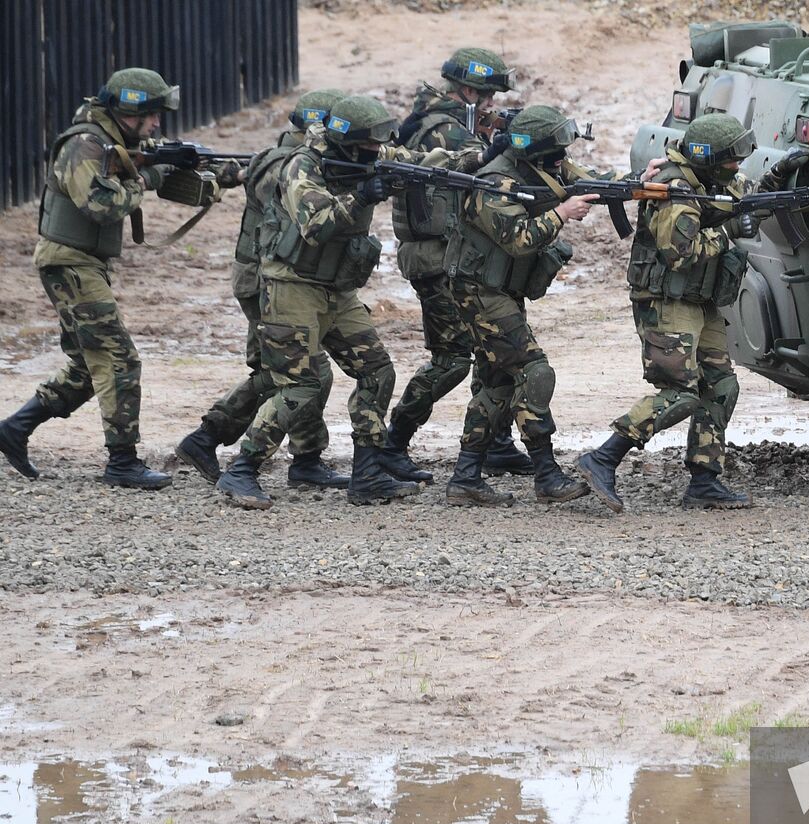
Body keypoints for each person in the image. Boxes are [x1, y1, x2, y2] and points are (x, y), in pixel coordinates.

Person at [214, 95, 473, 509]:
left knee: (377, 372)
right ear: (346, 143)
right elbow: (315, 226)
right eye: (370, 147)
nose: (377, 152)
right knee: (300, 385)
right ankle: (242, 469)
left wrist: (473, 160)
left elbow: (420, 160)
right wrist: (363, 195)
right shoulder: (301, 166)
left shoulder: (366, 151)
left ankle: (367, 472)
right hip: (291, 286)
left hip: (337, 289)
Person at [577, 113, 809, 511]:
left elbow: (742, 202)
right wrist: (731, 230)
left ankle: (705, 481)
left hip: (700, 301)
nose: (738, 166)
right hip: (668, 302)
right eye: (732, 160)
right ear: (710, 159)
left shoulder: (712, 182)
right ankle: (603, 458)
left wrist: (776, 180)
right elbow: (680, 254)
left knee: (720, 386)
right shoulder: (677, 192)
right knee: (680, 395)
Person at [0, 68, 182, 488]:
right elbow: (101, 205)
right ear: (129, 110)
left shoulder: (113, 142)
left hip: (82, 263)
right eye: (152, 115)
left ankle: (14, 429)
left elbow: (150, 160)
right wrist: (147, 179)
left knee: (88, 365)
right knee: (119, 359)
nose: (156, 124)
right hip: (69, 262)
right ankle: (122, 462)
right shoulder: (84, 144)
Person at [440, 104, 623, 507]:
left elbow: (594, 182)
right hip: (479, 290)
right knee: (533, 371)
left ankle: (465, 477)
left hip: (500, 290)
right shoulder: (495, 182)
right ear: (534, 150)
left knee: (499, 382)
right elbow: (518, 239)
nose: (563, 157)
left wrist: (638, 182)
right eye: (556, 149)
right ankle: (546, 474)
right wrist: (560, 213)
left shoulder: (546, 166)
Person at [174, 89, 348, 490]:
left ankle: (299, 457)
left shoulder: (297, 160)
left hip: (282, 279)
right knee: (300, 373)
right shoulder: (285, 166)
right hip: (264, 281)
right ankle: (221, 441)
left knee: (291, 372)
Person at [384, 47, 533, 483]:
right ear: (468, 90)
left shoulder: (437, 121)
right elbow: (483, 171)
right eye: (486, 96)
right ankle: (393, 443)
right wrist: (502, 144)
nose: (491, 104)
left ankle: (496, 442)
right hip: (437, 257)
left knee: (494, 351)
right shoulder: (445, 131)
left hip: (450, 254)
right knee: (452, 358)